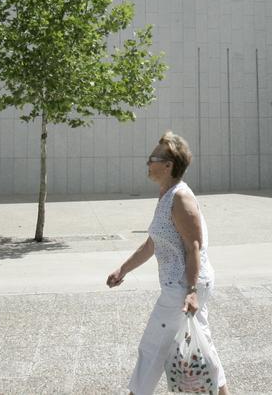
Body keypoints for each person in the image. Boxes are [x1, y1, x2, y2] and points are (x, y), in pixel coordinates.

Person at [107, 131, 229, 395]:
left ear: (168, 165)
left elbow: (194, 246)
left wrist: (192, 291)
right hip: (183, 285)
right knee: (203, 343)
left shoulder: (180, 197)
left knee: (152, 348)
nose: (147, 163)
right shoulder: (166, 194)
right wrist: (123, 269)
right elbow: (153, 243)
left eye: (152, 158)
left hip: (182, 286)